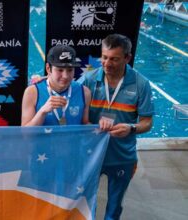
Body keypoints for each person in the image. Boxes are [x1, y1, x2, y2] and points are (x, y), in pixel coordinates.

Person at [81, 34, 154, 219]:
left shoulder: (140, 84)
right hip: (92, 154)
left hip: (122, 156)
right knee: (86, 203)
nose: (107, 64)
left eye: (114, 59)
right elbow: (68, 99)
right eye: (104, 57)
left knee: (114, 207)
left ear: (127, 58)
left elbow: (147, 122)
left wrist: (131, 128)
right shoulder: (89, 80)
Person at [21, 44, 91, 126]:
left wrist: (102, 127)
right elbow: (25, 135)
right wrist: (42, 112)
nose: (65, 76)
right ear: (48, 68)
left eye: (70, 70)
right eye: (60, 70)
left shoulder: (84, 92)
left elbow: (85, 125)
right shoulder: (32, 92)